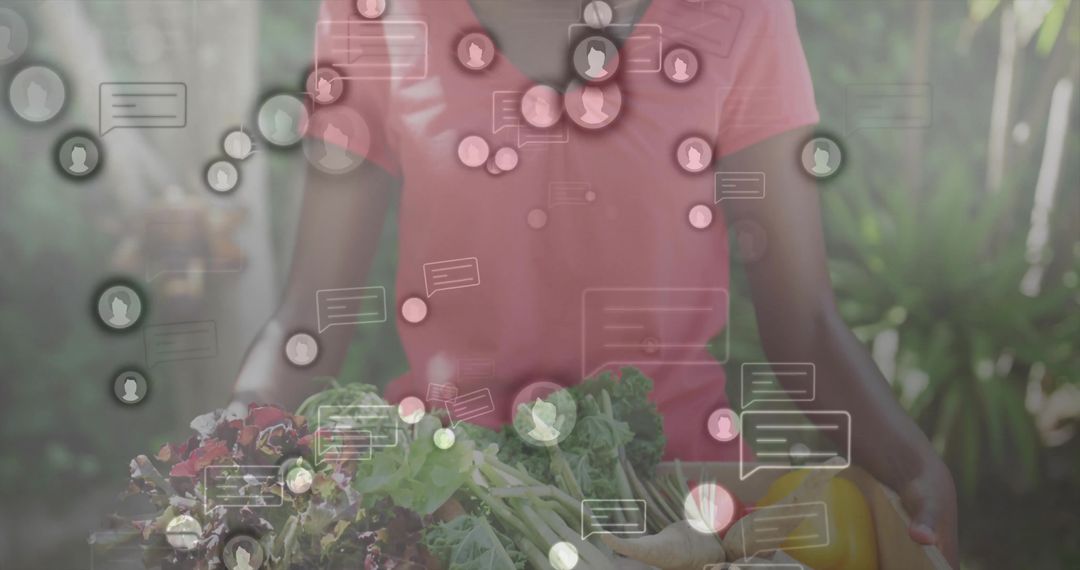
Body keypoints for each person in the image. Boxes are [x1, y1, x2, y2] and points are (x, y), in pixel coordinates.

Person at [232, 0, 958, 564]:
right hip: (454, 505)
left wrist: (912, 462)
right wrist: (229, 452)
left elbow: (804, 320)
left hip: (684, 512)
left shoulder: (738, 14)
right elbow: (309, 316)